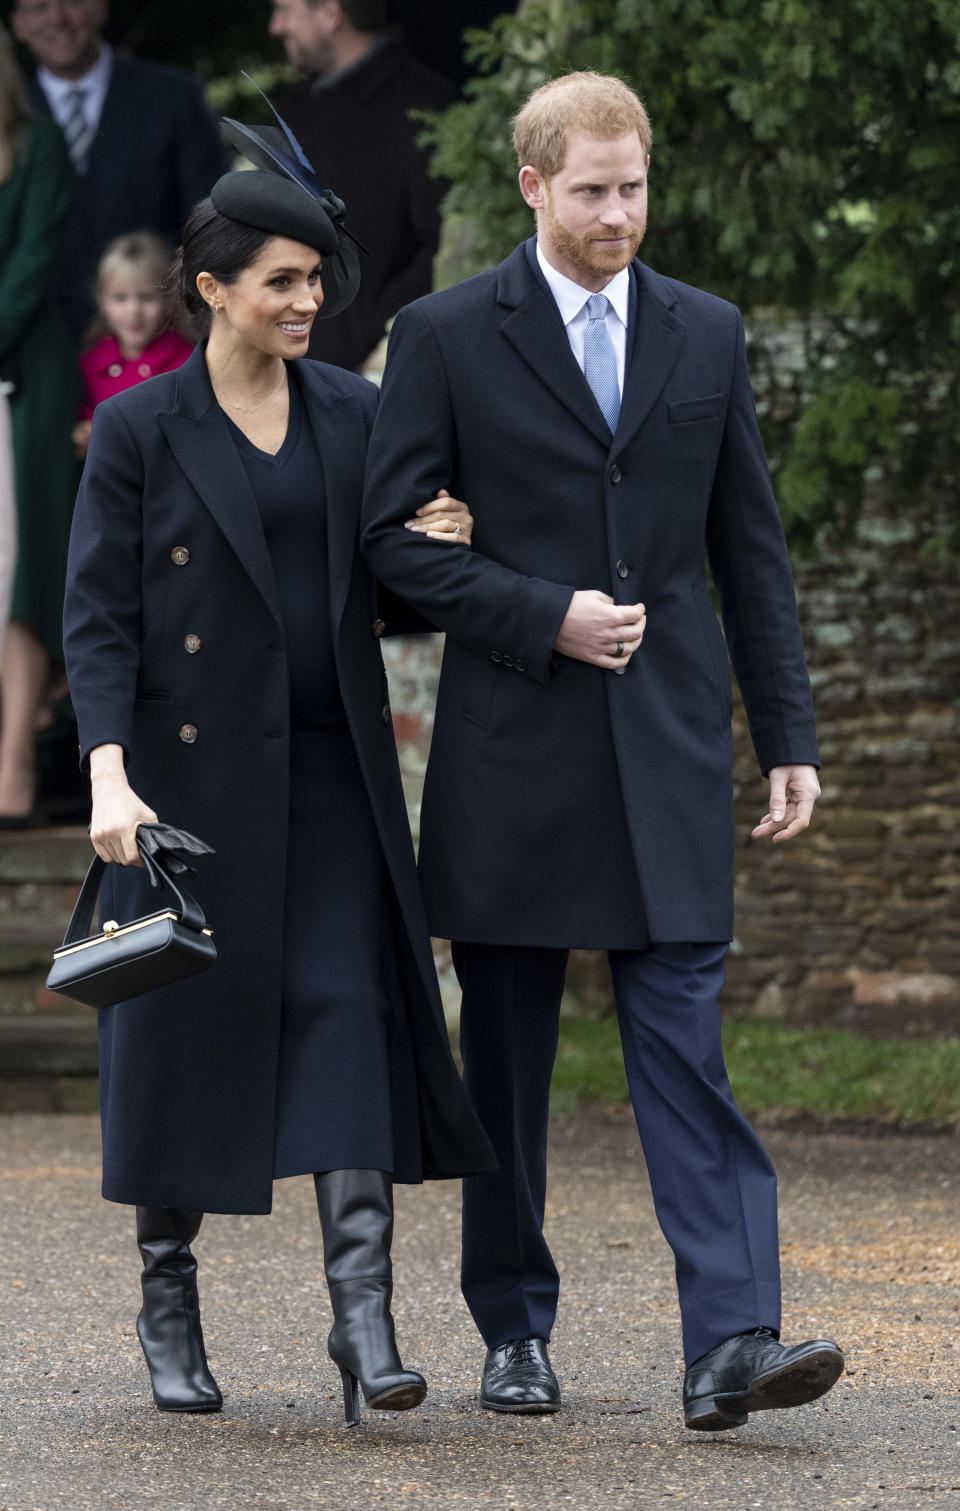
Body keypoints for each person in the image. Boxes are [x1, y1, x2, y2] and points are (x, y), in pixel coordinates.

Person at [361, 71, 845, 1429]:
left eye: (633, 187)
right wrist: (540, 612)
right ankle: (513, 1327)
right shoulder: (447, 333)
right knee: (506, 1068)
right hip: (514, 754)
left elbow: (751, 551)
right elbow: (390, 540)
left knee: (686, 1049)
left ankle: (733, 1339)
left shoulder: (708, 331)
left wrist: (788, 733)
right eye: (591, 190)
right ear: (532, 185)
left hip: (674, 748)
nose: (618, 212)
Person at [62, 109, 494, 1424]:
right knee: (179, 1036)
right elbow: (100, 615)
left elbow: (399, 589)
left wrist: (447, 540)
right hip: (187, 798)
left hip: (332, 778)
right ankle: (168, 1294)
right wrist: (106, 772)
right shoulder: (140, 429)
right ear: (213, 289)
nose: (311, 300)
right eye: (285, 282)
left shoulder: (358, 410)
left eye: (318, 280)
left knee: (348, 1018)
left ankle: (363, 1319)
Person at [12, 0, 228, 342]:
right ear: (18, 24)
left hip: (161, 343)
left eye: (71, 1)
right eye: (39, 6)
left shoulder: (175, 98)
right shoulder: (9, 114)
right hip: (37, 348)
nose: (57, 17)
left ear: (100, 8)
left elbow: (210, 222)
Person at [268, 0, 455, 371]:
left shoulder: (423, 109)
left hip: (379, 374)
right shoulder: (300, 109)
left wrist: (381, 339)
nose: (275, 26)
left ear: (329, 14)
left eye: (284, 10)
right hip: (300, 367)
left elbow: (445, 246)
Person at [0, 22, 77, 824]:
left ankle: (13, 767)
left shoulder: (38, 146)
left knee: (18, 574)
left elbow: (30, 267)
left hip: (23, 382)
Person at [73, 231, 194, 462]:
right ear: (101, 299)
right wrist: (83, 432)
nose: (133, 311)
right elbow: (84, 419)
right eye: (120, 298)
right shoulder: (89, 363)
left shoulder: (189, 362)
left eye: (147, 297)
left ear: (170, 297)